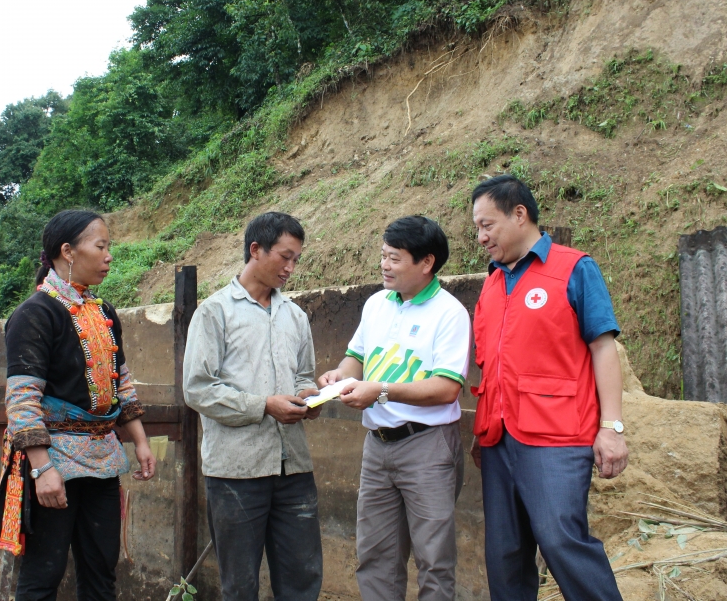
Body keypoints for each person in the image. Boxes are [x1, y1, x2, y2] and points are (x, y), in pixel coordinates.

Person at [469, 174, 628, 601]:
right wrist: (484, 428)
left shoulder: (574, 268)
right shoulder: (492, 283)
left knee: (561, 541)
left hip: (557, 436)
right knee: (505, 554)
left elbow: (603, 347)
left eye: (487, 225)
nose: (481, 237)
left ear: (519, 214)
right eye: (477, 228)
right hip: (499, 439)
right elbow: (492, 365)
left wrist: (612, 427)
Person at [0, 209, 156, 601]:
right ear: (68, 252)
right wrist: (43, 469)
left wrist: (141, 441)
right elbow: (22, 401)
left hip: (103, 460)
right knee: (44, 574)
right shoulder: (34, 314)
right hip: (54, 462)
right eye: (101, 246)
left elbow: (121, 382)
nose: (109, 256)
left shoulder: (104, 312)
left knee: (101, 571)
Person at [317, 215, 471, 601]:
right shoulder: (376, 304)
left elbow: (447, 388)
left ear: (426, 262)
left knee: (433, 558)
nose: (384, 265)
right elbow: (356, 358)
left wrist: (380, 391)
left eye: (395, 258)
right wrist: (340, 376)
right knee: (375, 554)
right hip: (377, 446)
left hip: (427, 445)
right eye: (383, 255)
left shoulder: (449, 313)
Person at [183, 211, 323, 601]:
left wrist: (310, 397)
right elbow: (198, 389)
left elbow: (304, 375)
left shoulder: (295, 315)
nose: (291, 268)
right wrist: (264, 405)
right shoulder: (215, 312)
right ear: (256, 249)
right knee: (240, 584)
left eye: (296, 259)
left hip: (293, 467)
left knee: (302, 578)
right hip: (236, 472)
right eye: (285, 257)